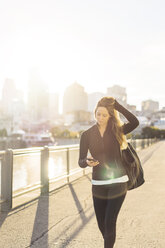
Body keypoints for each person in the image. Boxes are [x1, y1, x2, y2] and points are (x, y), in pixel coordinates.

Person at [78, 97, 139, 248]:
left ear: (110, 116)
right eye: (98, 114)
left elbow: (135, 122)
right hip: (98, 184)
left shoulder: (117, 130)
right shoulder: (86, 135)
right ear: (95, 113)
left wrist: (117, 106)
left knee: (109, 222)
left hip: (118, 182)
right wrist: (87, 162)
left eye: (104, 115)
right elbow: (80, 161)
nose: (101, 118)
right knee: (102, 225)